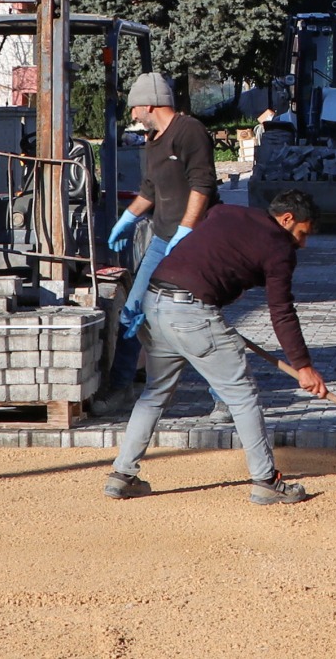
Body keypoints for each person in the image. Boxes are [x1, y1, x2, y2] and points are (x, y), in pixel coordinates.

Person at [103, 189, 328, 505]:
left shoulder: (226, 213)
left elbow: (219, 254)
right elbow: (282, 310)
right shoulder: (279, 247)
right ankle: (266, 482)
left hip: (154, 303)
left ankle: (122, 475)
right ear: (287, 219)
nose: (302, 244)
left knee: (154, 393)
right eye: (302, 234)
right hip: (192, 313)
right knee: (242, 395)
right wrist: (303, 366)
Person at [101, 73, 221, 416]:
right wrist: (127, 218)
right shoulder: (153, 140)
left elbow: (202, 185)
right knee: (131, 312)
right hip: (161, 240)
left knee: (201, 319)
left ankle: (225, 398)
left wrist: (186, 230)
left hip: (196, 242)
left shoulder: (190, 131)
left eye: (135, 108)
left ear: (150, 104)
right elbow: (149, 190)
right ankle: (121, 388)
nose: (134, 115)